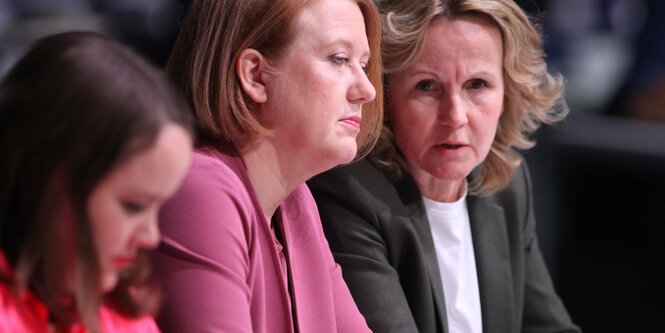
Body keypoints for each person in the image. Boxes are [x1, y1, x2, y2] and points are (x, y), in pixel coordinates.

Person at [309, 0, 581, 332]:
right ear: (385, 95)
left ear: (509, 92)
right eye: (427, 87)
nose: (455, 117)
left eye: (477, 85)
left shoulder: (506, 185)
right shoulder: (349, 194)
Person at [150, 0, 383, 332]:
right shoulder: (199, 191)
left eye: (363, 64)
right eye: (339, 59)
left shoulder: (297, 201)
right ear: (255, 76)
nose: (367, 90)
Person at [0, 31, 193, 332]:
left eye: (159, 207)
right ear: (45, 175)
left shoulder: (126, 315)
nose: (151, 236)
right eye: (134, 205)